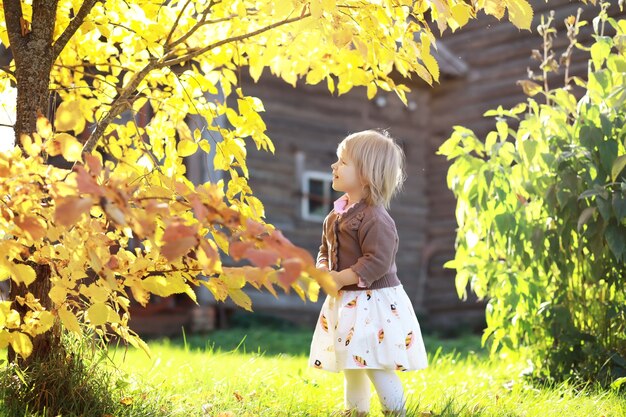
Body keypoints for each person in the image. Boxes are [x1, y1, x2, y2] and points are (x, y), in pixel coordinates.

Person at [309, 130, 428, 417]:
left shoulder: (375, 218)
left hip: (373, 303)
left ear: (366, 174)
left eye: (342, 162)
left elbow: (377, 262)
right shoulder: (335, 216)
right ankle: (355, 412)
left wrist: (340, 278)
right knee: (352, 364)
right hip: (348, 303)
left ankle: (396, 412)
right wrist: (324, 269)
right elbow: (325, 249)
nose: (333, 167)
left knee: (375, 363)